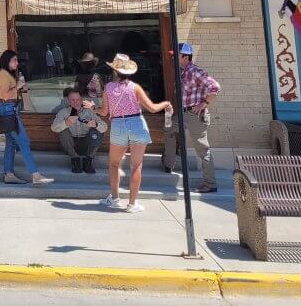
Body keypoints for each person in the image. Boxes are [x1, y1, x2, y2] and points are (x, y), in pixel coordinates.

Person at [96, 53, 172, 214]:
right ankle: (132, 204)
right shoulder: (135, 88)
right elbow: (151, 108)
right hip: (137, 123)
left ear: (115, 71)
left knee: (114, 164)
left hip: (118, 124)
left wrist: (92, 108)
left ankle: (115, 199)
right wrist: (165, 103)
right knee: (136, 166)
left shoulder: (108, 88)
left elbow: (103, 112)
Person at [163, 43, 220, 193]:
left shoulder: (195, 71)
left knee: (203, 150)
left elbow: (215, 87)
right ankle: (169, 162)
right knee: (168, 127)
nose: (173, 57)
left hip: (195, 115)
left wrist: (204, 103)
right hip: (182, 113)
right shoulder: (182, 72)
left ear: (185, 57)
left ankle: (210, 184)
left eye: (176, 55)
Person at [0, 50, 54, 186]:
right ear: (7, 61)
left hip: (9, 110)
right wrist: (18, 85)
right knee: (24, 141)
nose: (17, 62)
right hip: (9, 111)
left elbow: (11, 93)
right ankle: (35, 175)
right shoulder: (3, 74)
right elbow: (5, 95)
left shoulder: (7, 74)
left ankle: (9, 174)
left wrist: (21, 87)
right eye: (14, 60)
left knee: (11, 143)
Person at [51, 87, 107, 174]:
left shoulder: (89, 112)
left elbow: (104, 127)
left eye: (77, 99)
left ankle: (88, 161)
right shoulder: (63, 112)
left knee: (98, 130)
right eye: (72, 100)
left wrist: (95, 124)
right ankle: (75, 160)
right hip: (71, 145)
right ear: (68, 101)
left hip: (86, 144)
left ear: (81, 100)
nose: (75, 102)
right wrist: (66, 123)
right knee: (62, 130)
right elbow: (54, 128)